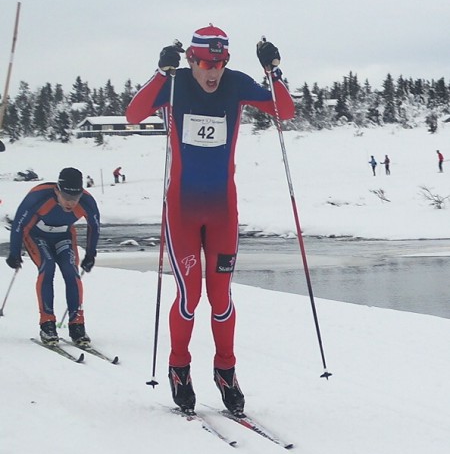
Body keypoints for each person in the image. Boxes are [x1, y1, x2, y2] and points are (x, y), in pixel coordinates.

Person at [126, 25, 295, 415]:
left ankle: (225, 372)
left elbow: (284, 110)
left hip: (223, 211)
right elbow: (134, 115)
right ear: (191, 59)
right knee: (190, 297)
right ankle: (179, 369)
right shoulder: (176, 83)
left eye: (220, 62)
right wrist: (160, 73)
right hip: (183, 211)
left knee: (221, 298)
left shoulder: (235, 84)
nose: (213, 71)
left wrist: (273, 72)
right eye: (205, 62)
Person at [6, 167, 100, 346]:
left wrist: (91, 254)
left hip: (64, 235)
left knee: (71, 272)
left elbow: (94, 227)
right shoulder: (39, 195)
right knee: (47, 267)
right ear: (57, 190)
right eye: (66, 197)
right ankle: (47, 324)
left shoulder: (87, 201)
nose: (70, 203)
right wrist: (14, 252)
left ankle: (77, 325)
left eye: (75, 198)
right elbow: (19, 223)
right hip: (35, 235)